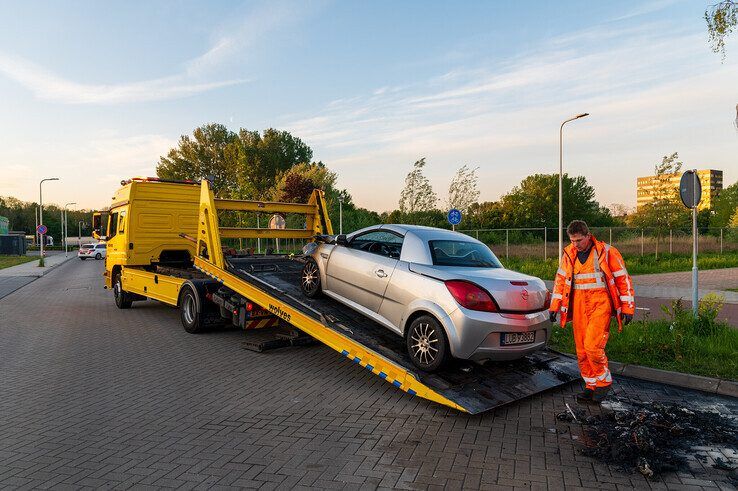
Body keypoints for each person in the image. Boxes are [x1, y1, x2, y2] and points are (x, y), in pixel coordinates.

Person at [549, 220, 635, 403]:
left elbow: (623, 279)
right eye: (572, 241)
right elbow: (560, 281)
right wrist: (554, 306)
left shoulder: (606, 252)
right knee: (581, 350)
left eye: (579, 240)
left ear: (588, 236)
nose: (575, 244)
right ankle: (591, 385)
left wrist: (628, 307)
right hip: (579, 304)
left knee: (592, 346)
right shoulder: (569, 254)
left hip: (600, 303)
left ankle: (603, 383)